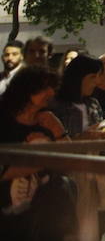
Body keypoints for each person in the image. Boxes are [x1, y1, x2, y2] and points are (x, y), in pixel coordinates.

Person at [0, 65, 78, 240]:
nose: (50, 92)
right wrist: (46, 161)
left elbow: (71, 162)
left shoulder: (47, 120)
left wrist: (58, 131)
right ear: (26, 89)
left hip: (44, 215)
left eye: (52, 87)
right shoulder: (4, 120)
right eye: (44, 87)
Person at [50, 52, 103, 138]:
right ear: (78, 77)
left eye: (99, 76)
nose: (98, 82)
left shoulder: (93, 104)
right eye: (93, 77)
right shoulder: (56, 105)